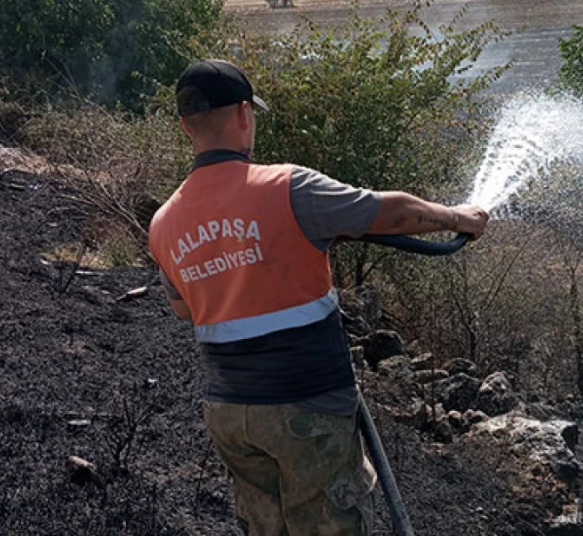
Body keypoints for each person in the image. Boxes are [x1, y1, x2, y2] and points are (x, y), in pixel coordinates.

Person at [148, 59, 489, 536]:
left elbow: (185, 308)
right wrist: (457, 218)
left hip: (229, 413)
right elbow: (387, 212)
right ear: (245, 114)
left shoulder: (164, 223)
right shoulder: (288, 188)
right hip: (305, 404)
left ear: (186, 126)